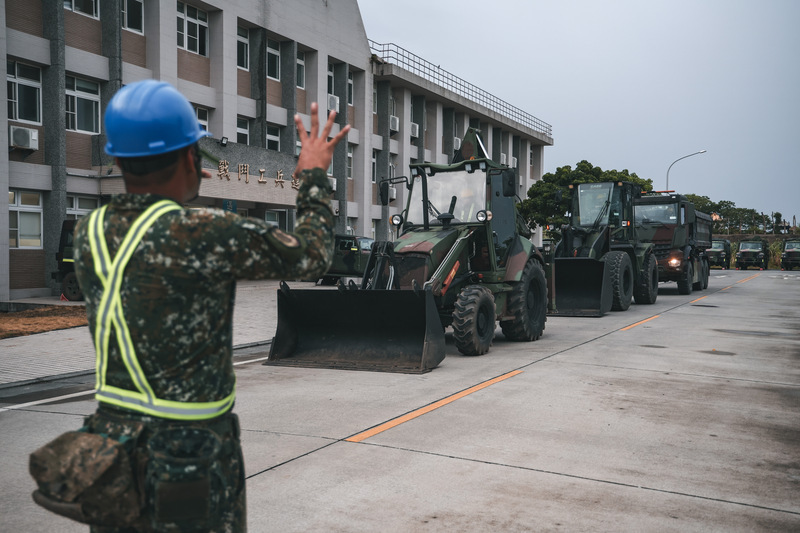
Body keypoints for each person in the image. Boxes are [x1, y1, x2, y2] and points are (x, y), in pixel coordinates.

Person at [71, 80, 349, 532]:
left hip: (110, 452)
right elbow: (311, 256)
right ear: (188, 157)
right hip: (188, 457)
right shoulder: (205, 231)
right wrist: (314, 175)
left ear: (117, 160)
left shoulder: (89, 232)